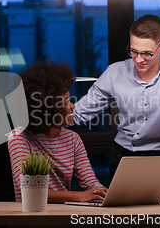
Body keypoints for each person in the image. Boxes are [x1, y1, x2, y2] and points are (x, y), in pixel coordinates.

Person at [73, 14, 160, 202]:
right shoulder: (115, 72)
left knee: (156, 221)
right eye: (133, 51)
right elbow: (79, 113)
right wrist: (41, 118)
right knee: (121, 221)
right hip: (122, 157)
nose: (139, 59)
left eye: (147, 53)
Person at [7, 60, 107, 203]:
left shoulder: (73, 139)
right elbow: (29, 190)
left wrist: (102, 192)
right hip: (32, 217)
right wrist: (79, 196)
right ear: (47, 109)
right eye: (66, 102)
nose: (73, 106)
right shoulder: (19, 138)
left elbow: (90, 182)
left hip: (62, 216)